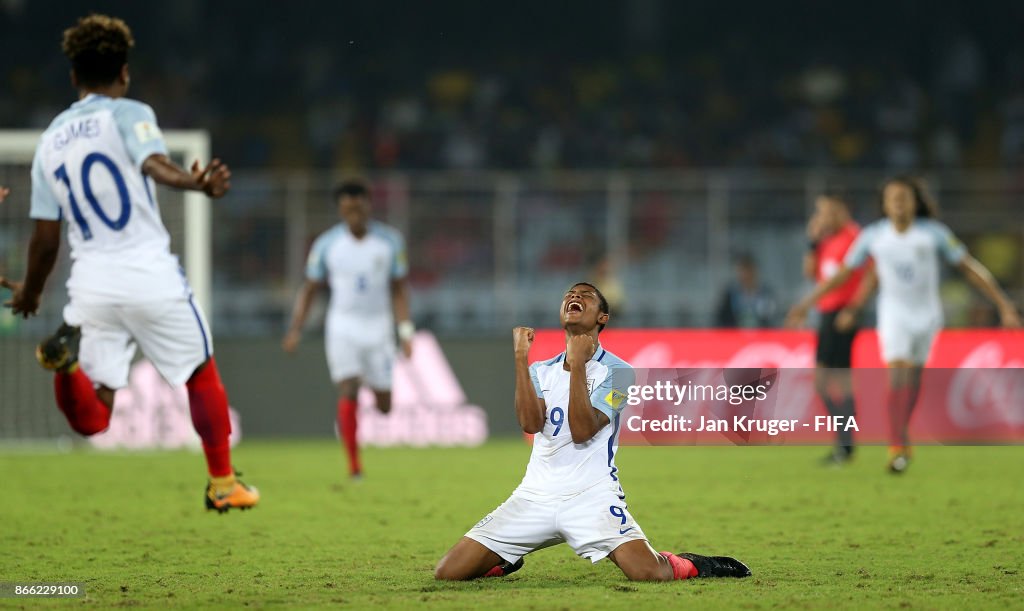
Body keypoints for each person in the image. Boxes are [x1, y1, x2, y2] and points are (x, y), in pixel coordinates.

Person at [0, 14, 259, 512]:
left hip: (90, 286)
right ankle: (223, 484)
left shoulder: (49, 142)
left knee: (94, 416)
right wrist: (194, 183)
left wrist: (31, 294)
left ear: (73, 76)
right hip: (148, 274)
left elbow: (45, 237)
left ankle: (66, 364)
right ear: (123, 73)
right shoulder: (129, 112)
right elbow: (151, 163)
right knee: (201, 372)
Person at [434, 282, 751, 581]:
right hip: (534, 496)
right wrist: (519, 358)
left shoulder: (621, 374)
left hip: (592, 497)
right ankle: (504, 558)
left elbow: (583, 430)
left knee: (649, 573)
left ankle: (690, 563)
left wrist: (579, 365)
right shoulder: (540, 370)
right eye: (570, 294)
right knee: (447, 572)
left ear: (603, 317)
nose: (575, 296)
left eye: (586, 295)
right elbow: (530, 424)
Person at [787, 176, 1021, 473]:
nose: (898, 202)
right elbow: (843, 275)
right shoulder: (874, 236)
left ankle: (901, 434)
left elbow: (969, 268)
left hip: (926, 316)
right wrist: (807, 303)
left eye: (904, 197)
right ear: (884, 204)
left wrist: (1003, 304)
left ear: (914, 202)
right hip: (893, 314)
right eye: (892, 197)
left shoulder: (933, 234)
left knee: (913, 380)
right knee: (897, 376)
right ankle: (897, 444)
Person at [282, 179, 413, 479]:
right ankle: (354, 466)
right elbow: (310, 289)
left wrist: (405, 330)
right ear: (340, 210)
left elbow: (399, 289)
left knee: (384, 406)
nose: (354, 213)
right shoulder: (327, 245)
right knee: (348, 387)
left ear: (369, 205)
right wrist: (295, 329)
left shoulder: (390, 241)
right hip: (343, 326)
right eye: (348, 208)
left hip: (378, 328)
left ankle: (370, 387)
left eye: (359, 206)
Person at [802, 191, 876, 464]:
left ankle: (846, 446)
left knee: (840, 381)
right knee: (821, 382)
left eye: (825, 211)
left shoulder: (855, 237)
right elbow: (811, 274)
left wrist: (854, 309)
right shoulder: (827, 240)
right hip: (825, 313)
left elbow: (871, 274)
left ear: (841, 209)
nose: (821, 217)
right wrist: (812, 242)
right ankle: (843, 442)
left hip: (843, 313)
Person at [715, 253, 779, 328]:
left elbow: (771, 319)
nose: (746, 275)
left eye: (749, 270)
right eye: (742, 271)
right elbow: (721, 320)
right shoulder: (730, 294)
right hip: (735, 336)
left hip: (761, 336)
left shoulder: (766, 294)